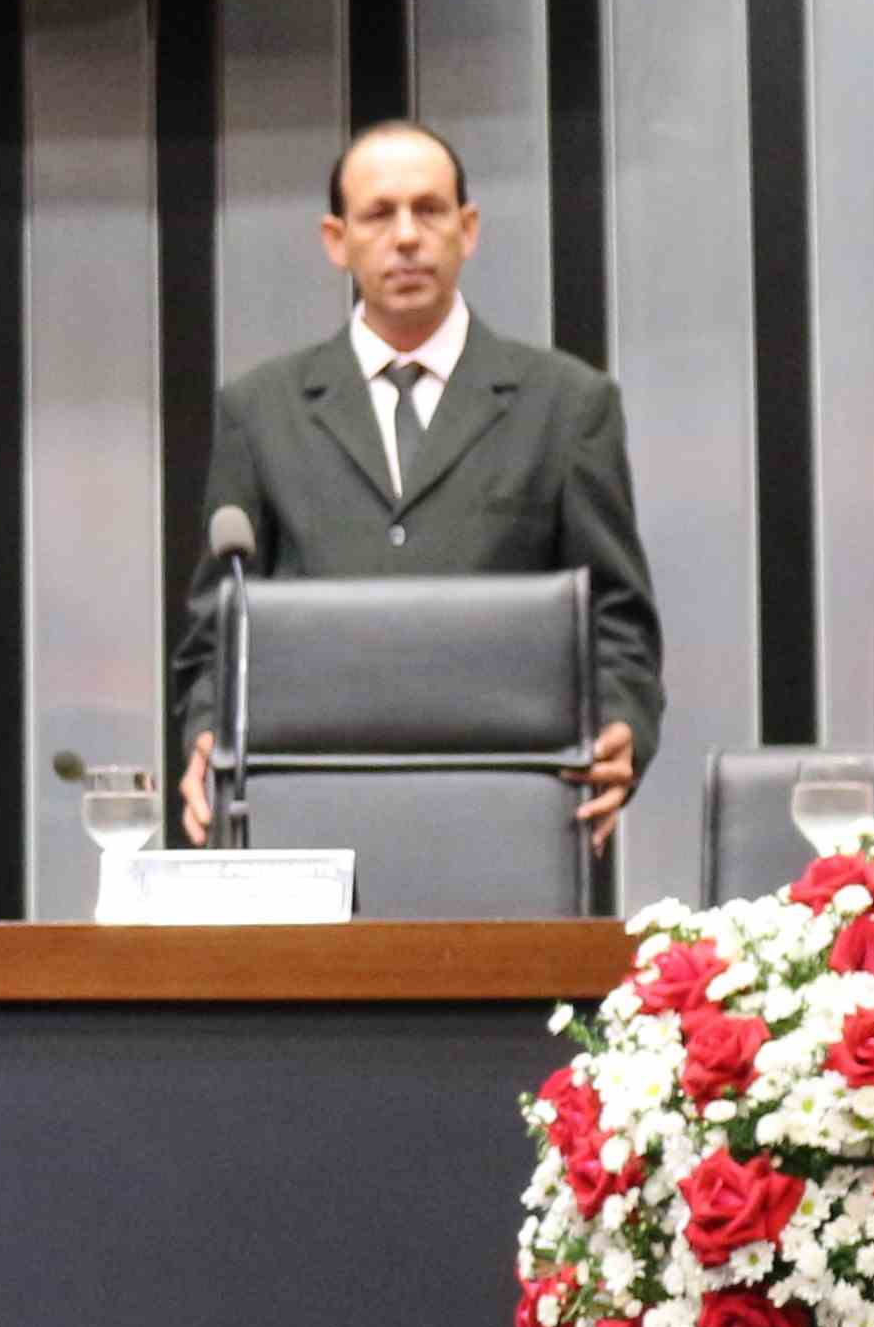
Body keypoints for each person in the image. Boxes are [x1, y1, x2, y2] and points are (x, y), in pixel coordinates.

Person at [173, 120, 662, 847]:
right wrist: (208, 733)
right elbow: (218, 629)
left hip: (512, 805)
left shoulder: (566, 405)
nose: (406, 236)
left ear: (468, 229)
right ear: (336, 239)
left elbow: (617, 618)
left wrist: (620, 722)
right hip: (307, 801)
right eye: (378, 214)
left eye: (429, 210)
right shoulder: (261, 411)